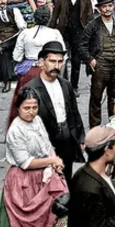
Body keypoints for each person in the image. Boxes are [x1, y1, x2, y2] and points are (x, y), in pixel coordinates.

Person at [0, 87, 68, 227]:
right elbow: (25, 163)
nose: (31, 112)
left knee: (55, 216)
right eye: (26, 108)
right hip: (23, 183)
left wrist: (54, 161)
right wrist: (51, 161)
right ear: (18, 108)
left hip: (43, 176)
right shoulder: (15, 130)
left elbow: (47, 145)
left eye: (34, 107)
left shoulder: (37, 121)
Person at [25, 41, 85, 174]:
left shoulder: (66, 85)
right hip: (45, 143)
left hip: (66, 140)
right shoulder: (31, 89)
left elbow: (74, 113)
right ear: (41, 62)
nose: (56, 66)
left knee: (66, 177)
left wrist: (80, 138)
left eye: (60, 62)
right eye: (52, 61)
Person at [79, 0, 115, 128]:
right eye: (104, 7)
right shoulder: (93, 25)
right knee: (96, 98)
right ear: (99, 9)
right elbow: (82, 45)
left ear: (114, 6)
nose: (107, 9)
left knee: (114, 97)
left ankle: (113, 126)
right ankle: (95, 129)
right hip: (100, 65)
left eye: (110, 5)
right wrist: (90, 60)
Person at [8, 7, 63, 126]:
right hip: (49, 72)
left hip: (29, 73)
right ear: (48, 19)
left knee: (25, 102)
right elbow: (63, 55)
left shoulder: (25, 33)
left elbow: (16, 56)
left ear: (34, 18)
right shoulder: (54, 33)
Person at [50, 0, 93, 93]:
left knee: (76, 61)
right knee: (61, 60)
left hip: (79, 33)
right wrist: (49, 33)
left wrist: (90, 34)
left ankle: (74, 87)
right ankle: (62, 85)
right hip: (63, 33)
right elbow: (54, 17)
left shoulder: (86, 0)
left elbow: (90, 19)